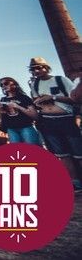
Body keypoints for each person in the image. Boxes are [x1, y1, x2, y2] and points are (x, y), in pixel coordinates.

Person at [28, 57, 81, 192]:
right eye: (34, 69)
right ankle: (75, 182)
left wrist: (53, 97)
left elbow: (75, 99)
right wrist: (40, 102)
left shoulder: (60, 80)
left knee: (78, 151)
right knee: (62, 154)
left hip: (66, 119)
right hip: (48, 121)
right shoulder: (35, 84)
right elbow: (35, 102)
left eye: (40, 67)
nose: (37, 70)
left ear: (46, 67)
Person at [0, 77, 40, 145]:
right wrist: (1, 111)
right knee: (18, 153)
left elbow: (35, 116)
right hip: (11, 129)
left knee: (33, 151)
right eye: (1, 85)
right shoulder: (3, 99)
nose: (4, 86)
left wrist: (18, 106)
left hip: (26, 127)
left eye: (6, 83)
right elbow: (2, 117)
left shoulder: (24, 97)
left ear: (14, 84)